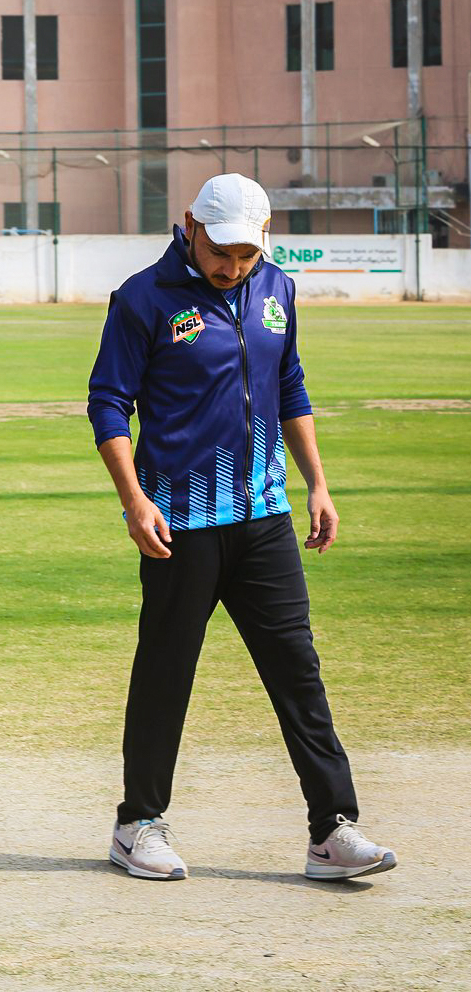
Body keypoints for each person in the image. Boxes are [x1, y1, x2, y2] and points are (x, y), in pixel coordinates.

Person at [87, 173, 396, 883]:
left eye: (246, 254)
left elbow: (290, 384)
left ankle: (332, 830)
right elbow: (108, 403)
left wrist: (317, 483)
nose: (232, 267)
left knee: (298, 672)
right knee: (165, 673)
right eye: (221, 252)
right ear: (190, 225)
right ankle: (137, 825)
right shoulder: (143, 298)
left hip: (265, 519)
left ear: (264, 240)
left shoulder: (278, 288)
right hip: (179, 523)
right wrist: (134, 500)